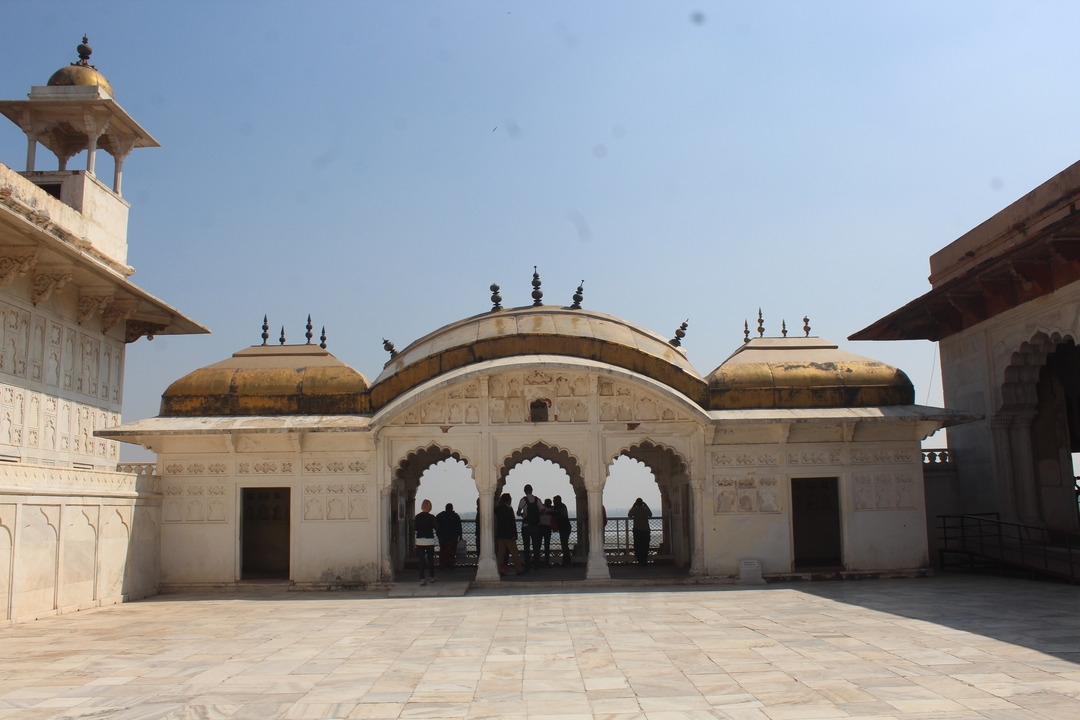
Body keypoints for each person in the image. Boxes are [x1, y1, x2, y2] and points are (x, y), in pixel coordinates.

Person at [495, 492, 523, 575]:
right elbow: (509, 523)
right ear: (509, 500)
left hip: (500, 534)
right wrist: (513, 534)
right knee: (514, 552)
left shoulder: (499, 508)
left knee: (500, 553)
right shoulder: (507, 509)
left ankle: (498, 569)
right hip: (508, 535)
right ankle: (519, 569)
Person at [517, 484, 543, 571]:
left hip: (526, 526)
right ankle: (536, 566)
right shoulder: (537, 500)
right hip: (536, 526)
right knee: (536, 547)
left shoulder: (523, 500)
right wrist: (536, 515)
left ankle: (527, 566)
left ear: (525, 491)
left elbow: (518, 512)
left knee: (526, 546)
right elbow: (543, 511)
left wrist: (523, 515)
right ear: (532, 490)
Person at [414, 499, 437, 585]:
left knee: (421, 560)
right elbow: (437, 527)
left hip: (420, 540)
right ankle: (432, 577)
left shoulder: (418, 517)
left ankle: (422, 579)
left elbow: (415, 528)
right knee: (430, 559)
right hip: (429, 540)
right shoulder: (432, 517)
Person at [435, 502, 462, 569]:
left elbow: (435, 523)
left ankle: (443, 565)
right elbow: (459, 527)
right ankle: (450, 564)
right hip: (453, 537)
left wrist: (438, 533)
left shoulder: (441, 515)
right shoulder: (455, 516)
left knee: (443, 552)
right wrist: (460, 536)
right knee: (452, 552)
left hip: (443, 537)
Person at [627, 497, 653, 565]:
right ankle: (644, 559)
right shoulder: (645, 509)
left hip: (637, 529)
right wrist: (646, 506)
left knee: (638, 545)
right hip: (645, 530)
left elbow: (629, 514)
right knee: (645, 545)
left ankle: (639, 560)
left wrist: (633, 506)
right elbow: (650, 514)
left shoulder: (635, 510)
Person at [553, 495, 572, 565]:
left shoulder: (561, 507)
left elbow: (560, 515)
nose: (553, 502)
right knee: (564, 544)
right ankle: (566, 561)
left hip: (565, 527)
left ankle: (567, 561)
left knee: (564, 544)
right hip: (564, 527)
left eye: (554, 500)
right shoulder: (560, 507)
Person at [539, 498, 554, 566]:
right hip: (546, 527)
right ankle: (546, 561)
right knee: (546, 545)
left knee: (540, 545)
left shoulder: (542, 509)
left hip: (543, 527)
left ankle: (541, 561)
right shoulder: (551, 509)